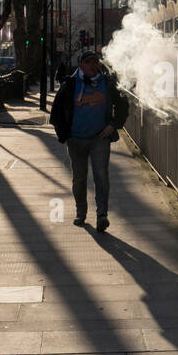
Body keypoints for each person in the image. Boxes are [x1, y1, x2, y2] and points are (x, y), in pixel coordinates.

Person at [49, 50, 128, 232]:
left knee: (101, 176)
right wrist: (65, 135)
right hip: (76, 140)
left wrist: (113, 125)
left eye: (95, 62)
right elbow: (57, 112)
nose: (93, 66)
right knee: (79, 178)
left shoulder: (107, 84)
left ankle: (102, 215)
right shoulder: (70, 84)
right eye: (89, 63)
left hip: (99, 138)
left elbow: (123, 105)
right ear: (81, 65)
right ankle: (81, 213)